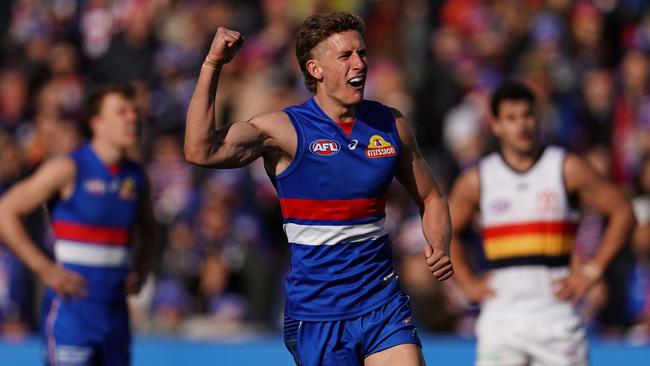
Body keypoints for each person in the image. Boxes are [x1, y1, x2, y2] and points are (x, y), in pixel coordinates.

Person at [184, 11, 453, 366]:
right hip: (317, 317)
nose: (359, 64)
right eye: (345, 56)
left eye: (362, 53)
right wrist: (213, 63)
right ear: (315, 69)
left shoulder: (390, 124)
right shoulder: (285, 130)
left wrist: (438, 242)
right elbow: (200, 150)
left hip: (382, 305)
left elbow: (431, 196)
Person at [448, 80, 636, 366]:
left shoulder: (565, 168)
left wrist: (593, 270)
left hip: (557, 320)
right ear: (496, 125)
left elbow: (623, 212)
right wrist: (466, 282)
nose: (522, 125)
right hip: (502, 320)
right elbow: (444, 231)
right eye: (511, 118)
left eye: (527, 115)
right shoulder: (479, 179)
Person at [0, 85, 155, 366]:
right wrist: (43, 269)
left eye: (134, 111)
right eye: (121, 112)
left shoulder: (136, 176)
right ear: (97, 123)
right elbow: (5, 211)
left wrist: (142, 269)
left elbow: (150, 229)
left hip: (115, 314)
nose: (132, 118)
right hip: (72, 312)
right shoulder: (68, 169)